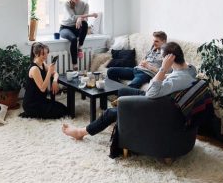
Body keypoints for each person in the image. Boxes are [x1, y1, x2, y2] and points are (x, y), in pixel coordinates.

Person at [62, 42, 197, 140]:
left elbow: (151, 92)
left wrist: (162, 69)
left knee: (110, 112)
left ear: (170, 59)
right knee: (123, 91)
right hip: (160, 97)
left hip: (153, 105)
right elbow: (175, 77)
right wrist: (166, 73)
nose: (162, 60)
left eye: (163, 58)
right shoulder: (190, 69)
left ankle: (80, 132)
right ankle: (121, 118)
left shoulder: (178, 79)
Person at [21, 42, 68, 119]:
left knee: (64, 109)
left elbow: (55, 73)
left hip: (41, 100)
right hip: (32, 104)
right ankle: (30, 113)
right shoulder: (34, 69)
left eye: (46, 53)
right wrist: (49, 72)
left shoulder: (42, 63)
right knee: (61, 113)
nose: (46, 56)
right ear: (36, 54)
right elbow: (42, 88)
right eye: (43, 54)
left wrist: (55, 81)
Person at [59, 0, 98, 71]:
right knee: (73, 39)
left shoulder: (85, 5)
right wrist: (90, 15)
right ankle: (75, 64)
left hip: (77, 27)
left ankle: (80, 46)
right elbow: (73, 17)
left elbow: (85, 20)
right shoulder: (67, 4)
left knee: (84, 23)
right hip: (65, 28)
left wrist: (80, 19)